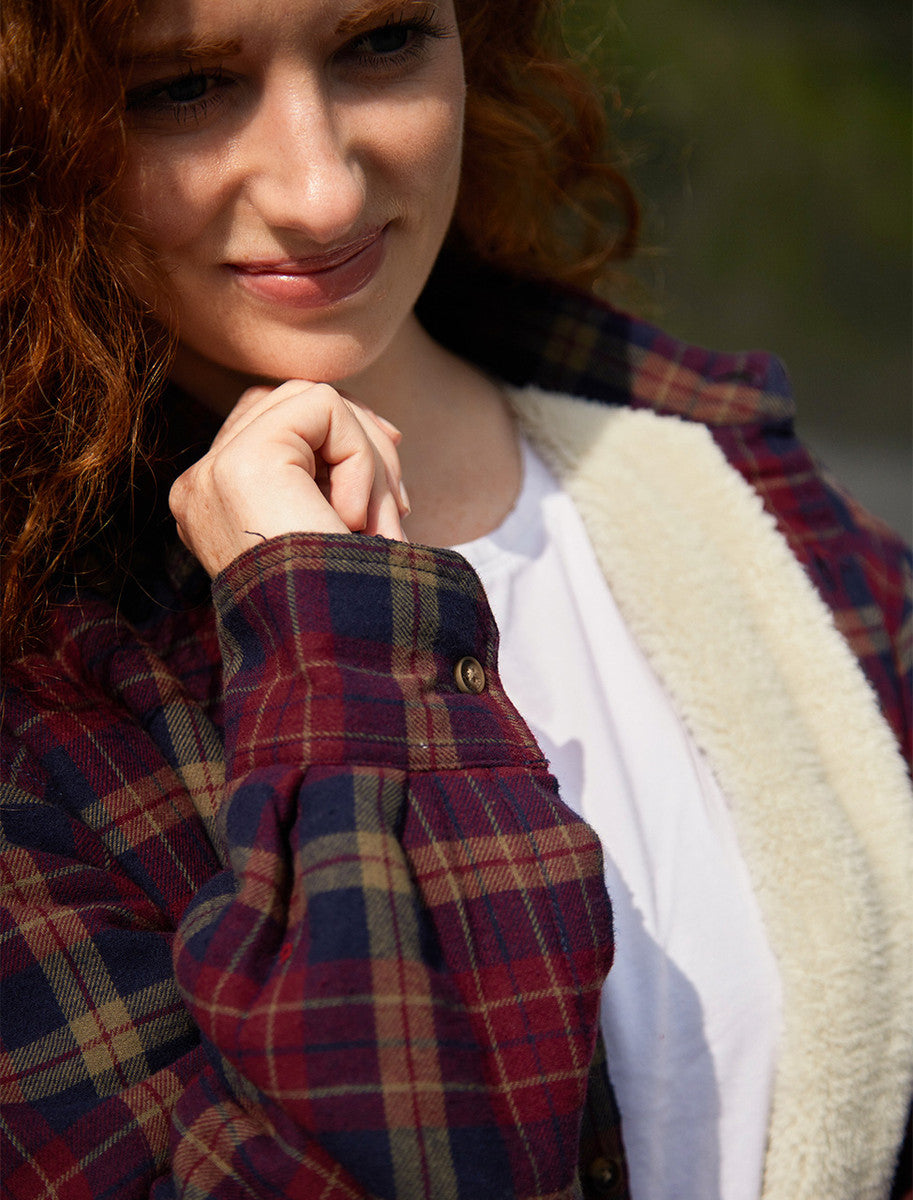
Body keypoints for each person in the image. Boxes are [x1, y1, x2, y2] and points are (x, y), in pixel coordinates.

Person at [1, 0, 910, 1197]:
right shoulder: (41, 697)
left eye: (379, 43)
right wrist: (335, 633)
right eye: (180, 89)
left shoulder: (742, 491)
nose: (321, 192)